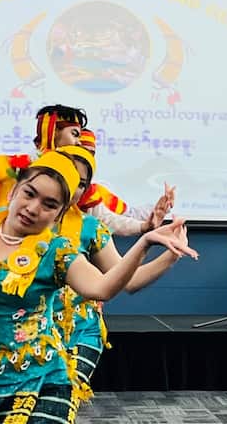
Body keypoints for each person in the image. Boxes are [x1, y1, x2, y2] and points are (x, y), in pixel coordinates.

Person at [0, 151, 193, 422]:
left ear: (60, 212)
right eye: (29, 194)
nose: (33, 208)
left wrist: (147, 245)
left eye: (50, 204)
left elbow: (104, 287)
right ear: (15, 190)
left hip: (45, 375)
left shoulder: (56, 251)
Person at [50, 145, 182, 399]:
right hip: (21, 338)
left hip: (80, 331)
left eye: (82, 183)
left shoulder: (89, 227)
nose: (73, 186)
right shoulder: (2, 224)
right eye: (66, 174)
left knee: (59, 403)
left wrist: (171, 257)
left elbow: (127, 282)